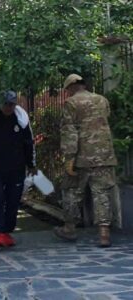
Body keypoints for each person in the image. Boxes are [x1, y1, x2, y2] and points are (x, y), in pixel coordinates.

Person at [54, 74, 118, 247]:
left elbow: (69, 131)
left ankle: (69, 227)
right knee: (102, 193)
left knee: (73, 192)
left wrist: (69, 158)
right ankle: (104, 233)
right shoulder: (102, 100)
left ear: (70, 88)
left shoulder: (71, 103)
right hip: (104, 156)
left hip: (82, 157)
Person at [0, 91, 35, 248]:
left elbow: (28, 145)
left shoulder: (22, 123)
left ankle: (7, 231)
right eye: (6, 104)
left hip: (17, 169)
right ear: (1, 105)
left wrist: (31, 165)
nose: (8, 107)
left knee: (13, 200)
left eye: (11, 104)